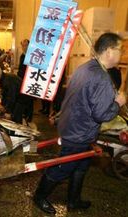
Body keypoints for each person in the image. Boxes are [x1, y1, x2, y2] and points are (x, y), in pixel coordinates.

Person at [33, 32, 127, 215]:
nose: (121, 54)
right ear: (109, 51)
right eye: (120, 49)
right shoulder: (101, 78)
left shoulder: (85, 68)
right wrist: (117, 104)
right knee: (64, 167)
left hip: (72, 125)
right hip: (79, 132)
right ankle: (39, 196)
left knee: (81, 166)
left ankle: (73, 200)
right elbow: (101, 114)